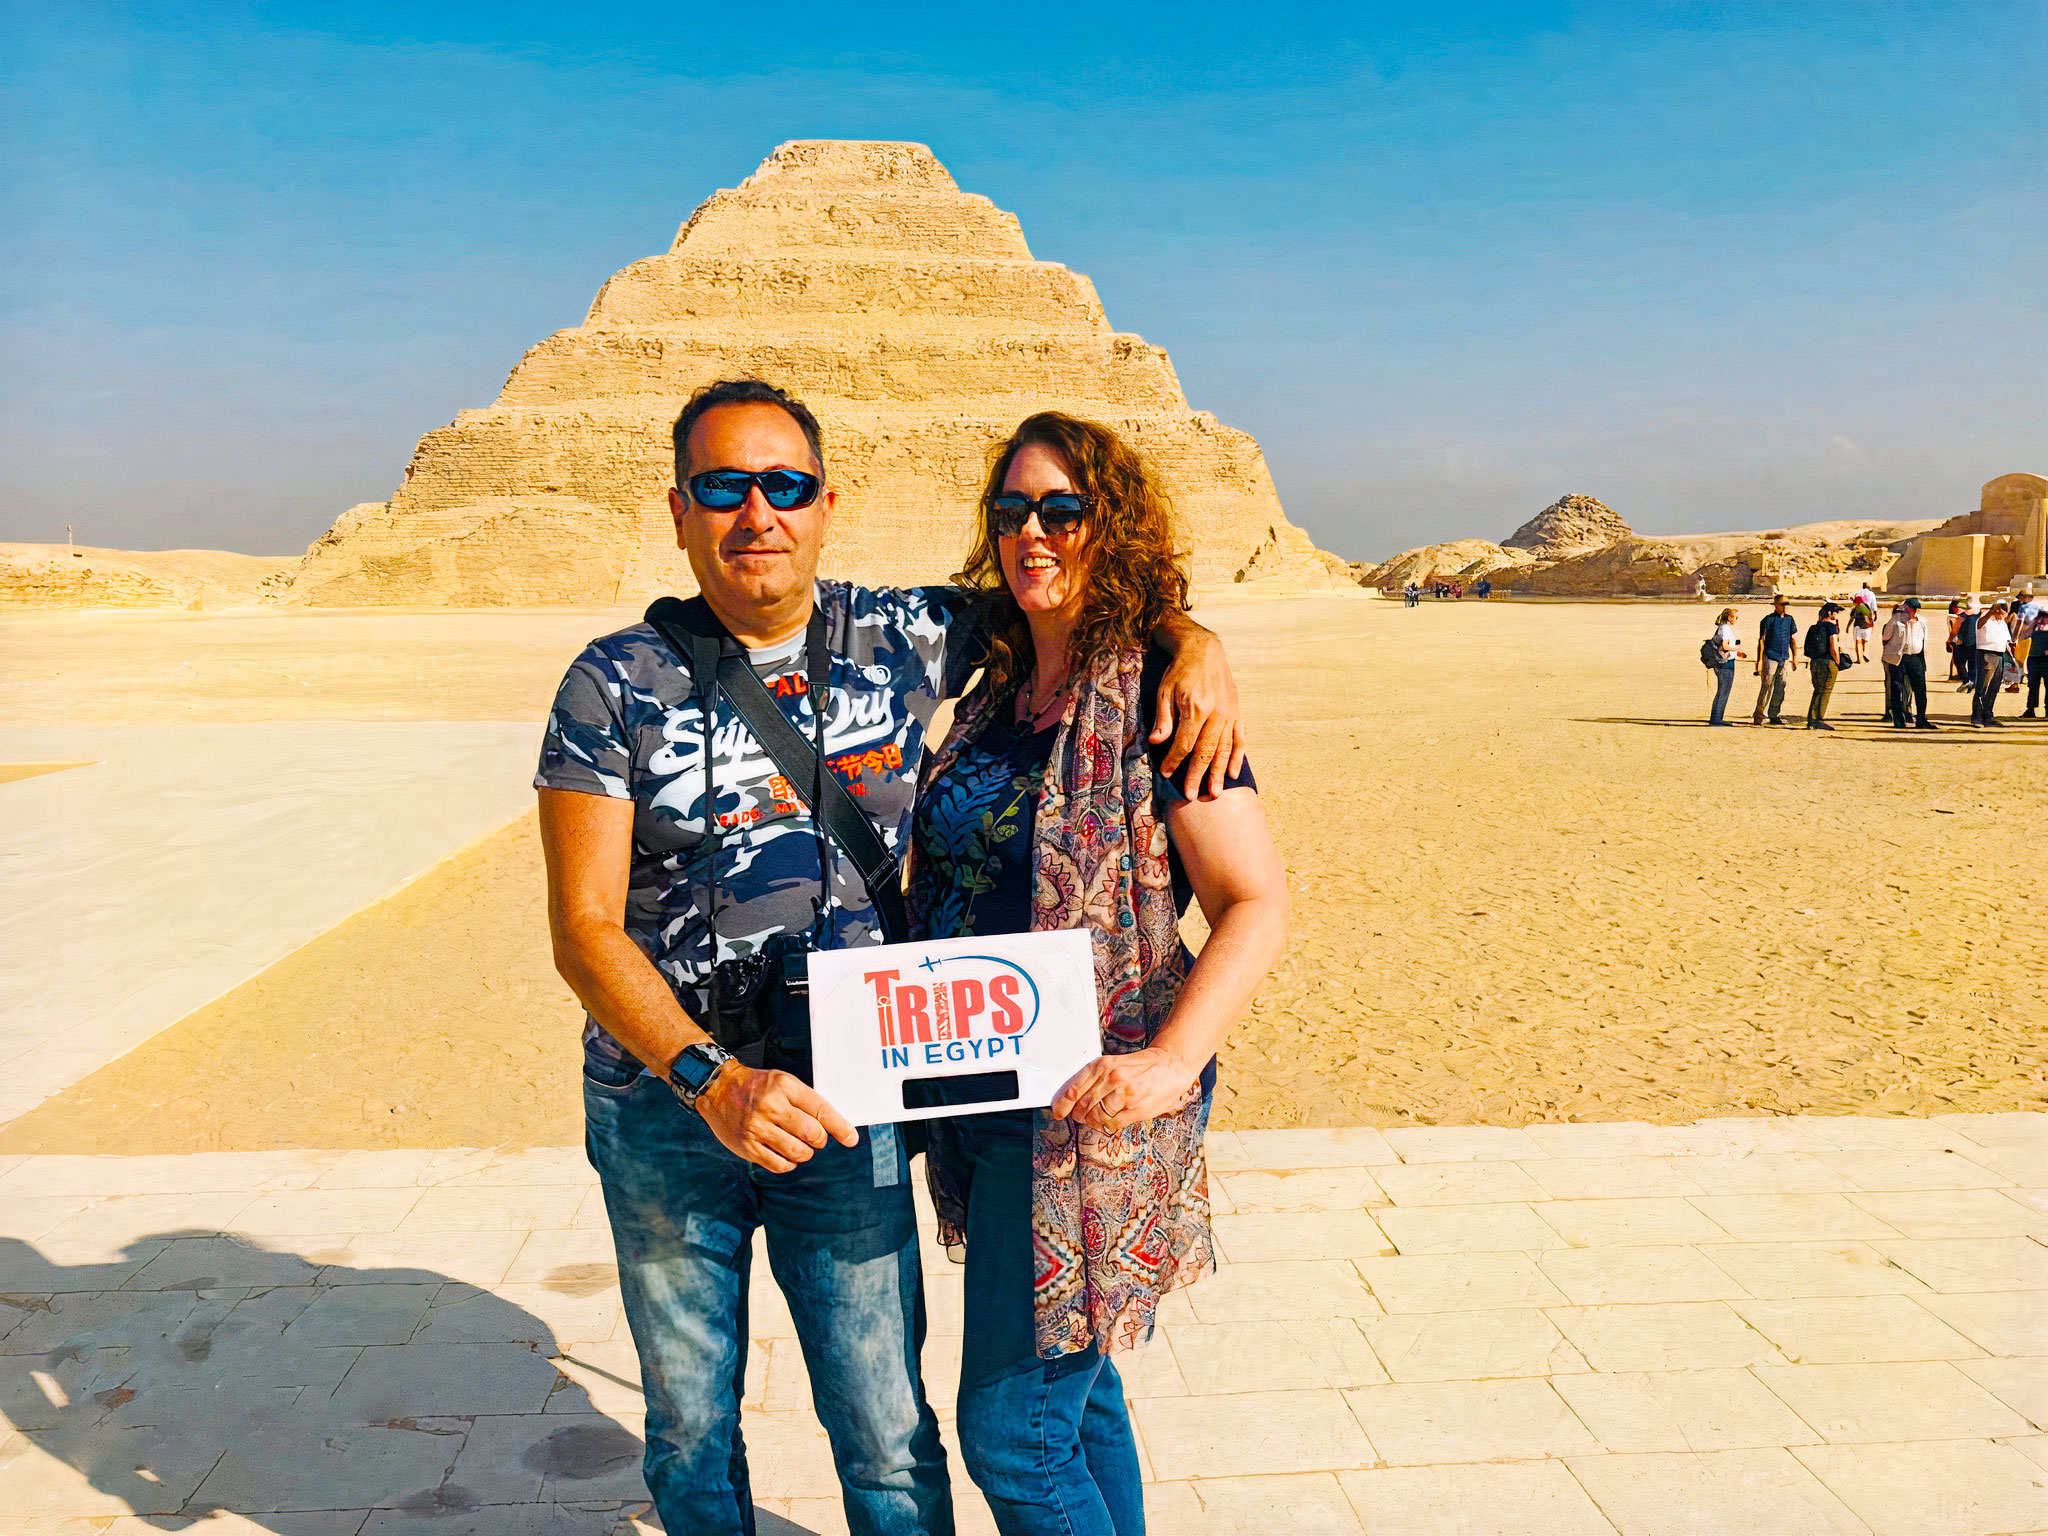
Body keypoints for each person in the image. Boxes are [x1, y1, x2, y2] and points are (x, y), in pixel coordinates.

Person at [534, 379, 1241, 1536]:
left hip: (847, 1109)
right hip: (667, 1108)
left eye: (785, 485)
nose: (755, 512)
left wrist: (1189, 640)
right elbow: (584, 929)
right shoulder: (610, 682)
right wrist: (706, 1080)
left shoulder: (905, 635)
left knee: (885, 1432)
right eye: (722, 487)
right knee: (688, 1431)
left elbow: (1071, 590)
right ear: (676, 509)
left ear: (825, 504)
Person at [908, 412, 1289, 1535]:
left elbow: (1254, 902)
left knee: (1013, 1439)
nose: (1032, 531)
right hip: (981, 1090)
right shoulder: (989, 692)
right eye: (1010, 510)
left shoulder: (1166, 704)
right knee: (1080, 1410)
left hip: (1094, 1104)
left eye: (1062, 509)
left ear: (1105, 526)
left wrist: (1171, 1062)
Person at [1882, 597, 1935, 729]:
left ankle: (1921, 720)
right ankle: (1898, 721)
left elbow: (1925, 640)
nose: (1913, 611)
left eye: (1915, 609)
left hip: (1916, 658)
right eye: (1911, 608)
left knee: (1920, 689)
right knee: (1897, 689)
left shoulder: (1922, 621)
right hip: (1899, 658)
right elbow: (1885, 637)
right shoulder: (1895, 620)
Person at [1753, 594, 1800, 725]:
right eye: (1782, 605)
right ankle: (1759, 715)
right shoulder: (1768, 620)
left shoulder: (1790, 620)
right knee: (1767, 686)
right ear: (1775, 605)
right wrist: (1759, 661)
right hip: (1770, 655)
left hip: (1784, 657)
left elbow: (1792, 639)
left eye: (1786, 605)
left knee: (1781, 687)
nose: (1784, 608)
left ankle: (1774, 714)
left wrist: (1795, 657)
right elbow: (1761, 640)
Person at [1973, 600, 2013, 726]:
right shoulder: (1985, 619)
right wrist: (1991, 612)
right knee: (1983, 687)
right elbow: (1979, 624)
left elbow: (2006, 642)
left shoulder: (2002, 623)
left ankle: (1988, 716)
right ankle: (1977, 717)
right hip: (1986, 654)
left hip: (2000, 655)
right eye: (2001, 609)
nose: (2003, 613)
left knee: (1994, 688)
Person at [1804, 601, 1843, 730]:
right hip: (1827, 661)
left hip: (1815, 662)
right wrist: (1837, 662)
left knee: (1818, 690)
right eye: (1836, 612)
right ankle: (1818, 719)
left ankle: (1812, 719)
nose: (1837, 615)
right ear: (1830, 613)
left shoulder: (1814, 627)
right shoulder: (1831, 627)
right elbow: (1833, 647)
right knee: (1825, 691)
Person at [1707, 606, 1745, 725]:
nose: (1736, 619)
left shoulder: (1724, 627)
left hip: (1726, 661)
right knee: (1724, 691)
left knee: (1723, 690)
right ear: (1729, 617)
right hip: (1725, 663)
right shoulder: (1725, 628)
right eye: (1735, 617)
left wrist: (1736, 652)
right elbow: (1724, 646)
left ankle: (1717, 718)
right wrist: (1736, 648)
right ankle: (1716, 719)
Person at [1954, 597, 1981, 692]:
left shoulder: (1963, 616)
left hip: (1965, 643)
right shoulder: (1980, 615)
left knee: (1959, 661)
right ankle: (1971, 681)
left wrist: (1955, 639)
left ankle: (1967, 681)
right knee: (1972, 664)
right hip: (1976, 643)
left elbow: (1957, 629)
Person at [1847, 589, 1877, 663]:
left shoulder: (1856, 609)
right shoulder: (1867, 607)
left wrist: (1847, 627)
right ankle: (1862, 654)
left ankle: (1859, 659)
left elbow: (1852, 619)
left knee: (1858, 643)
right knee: (1863, 643)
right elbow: (1871, 618)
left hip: (1859, 627)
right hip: (1868, 628)